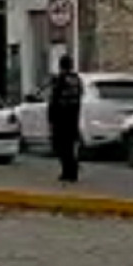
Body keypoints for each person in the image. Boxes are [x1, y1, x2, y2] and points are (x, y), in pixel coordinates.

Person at [48, 54, 84, 183]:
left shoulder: (61, 79)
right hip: (73, 117)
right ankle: (72, 171)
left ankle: (67, 172)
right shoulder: (76, 79)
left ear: (60, 65)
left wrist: (51, 118)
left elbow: (54, 100)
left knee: (61, 147)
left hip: (61, 119)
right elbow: (79, 96)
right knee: (70, 145)